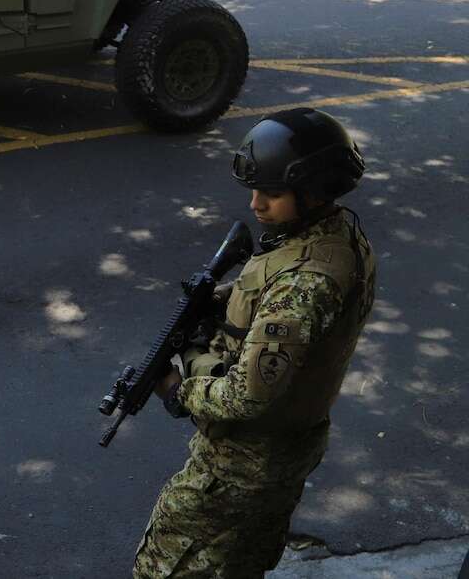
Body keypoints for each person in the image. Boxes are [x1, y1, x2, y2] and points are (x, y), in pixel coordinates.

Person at [133, 108, 376, 579]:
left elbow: (246, 396)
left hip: (242, 468)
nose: (256, 204)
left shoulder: (306, 281)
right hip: (288, 449)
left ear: (313, 192)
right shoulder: (336, 235)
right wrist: (223, 301)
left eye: (273, 193)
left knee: (164, 569)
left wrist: (177, 389)